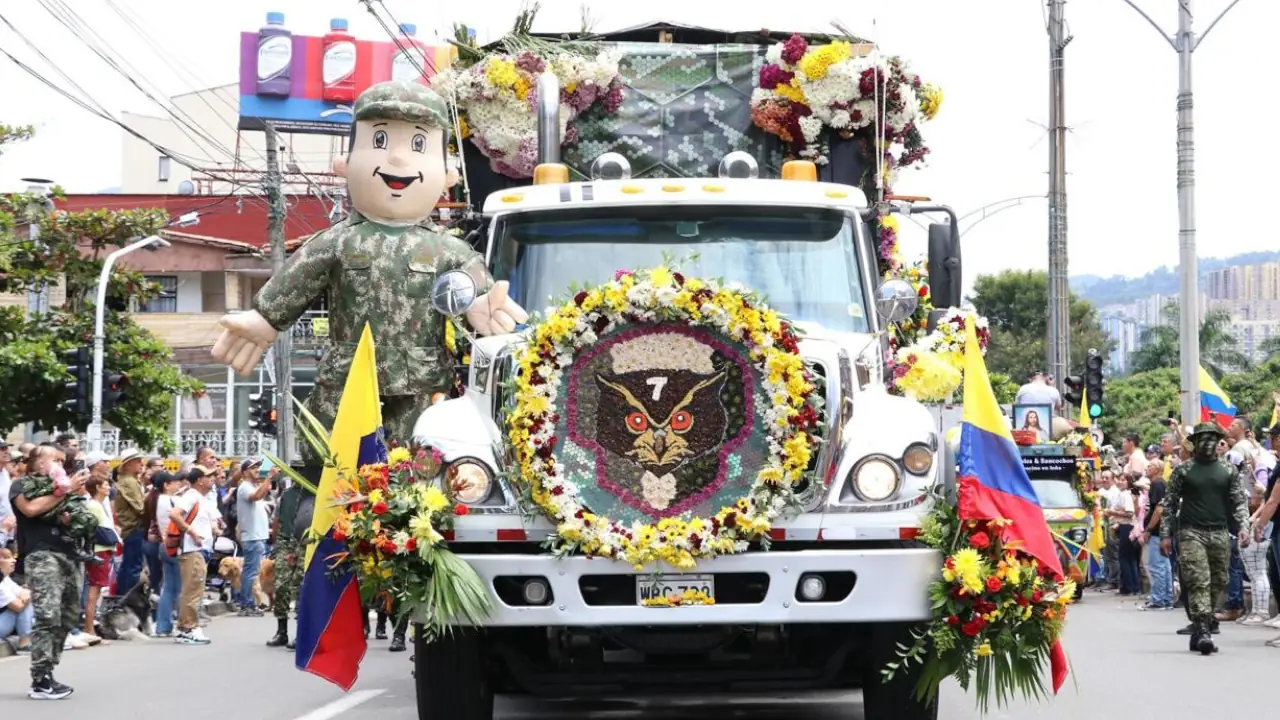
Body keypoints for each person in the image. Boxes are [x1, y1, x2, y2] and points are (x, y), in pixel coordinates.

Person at [210, 80, 528, 475]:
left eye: (417, 145)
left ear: (448, 173)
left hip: (420, 386)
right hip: (346, 383)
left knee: (421, 468)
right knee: (328, 466)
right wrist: (263, 318)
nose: (397, 160)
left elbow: (475, 296)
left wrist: (482, 311)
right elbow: (297, 282)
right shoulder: (336, 243)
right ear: (345, 163)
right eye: (379, 140)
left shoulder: (452, 251)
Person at [1161, 422, 1252, 655]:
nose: (1207, 442)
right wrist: (1165, 535)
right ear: (1195, 442)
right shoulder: (1184, 471)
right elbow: (1169, 505)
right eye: (1202, 437)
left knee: (1219, 580)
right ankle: (1202, 630)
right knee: (1198, 579)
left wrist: (1243, 526)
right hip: (1192, 532)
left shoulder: (1228, 471)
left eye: (1212, 437)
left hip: (1220, 531)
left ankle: (1206, 620)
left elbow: (1239, 501)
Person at [9, 444, 89, 699]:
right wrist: (64, 490)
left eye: (63, 460)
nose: (61, 464)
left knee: (67, 618)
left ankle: (49, 671)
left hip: (70, 554)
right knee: (47, 615)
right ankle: (40, 678)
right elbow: (31, 509)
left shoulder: (68, 485)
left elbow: (75, 519)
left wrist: (72, 516)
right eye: (56, 459)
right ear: (40, 463)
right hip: (42, 555)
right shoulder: (22, 485)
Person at [168, 467, 217, 645]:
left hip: (198, 550)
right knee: (193, 591)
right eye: (208, 476)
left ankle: (185, 628)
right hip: (192, 549)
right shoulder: (192, 495)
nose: (213, 479)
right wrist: (192, 532)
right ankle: (189, 628)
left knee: (194, 590)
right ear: (199, 480)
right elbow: (174, 514)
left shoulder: (201, 498)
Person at [267, 479, 312, 649]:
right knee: (281, 586)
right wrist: (277, 544)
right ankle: (281, 630)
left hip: (305, 541)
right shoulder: (286, 496)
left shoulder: (314, 492)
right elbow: (277, 521)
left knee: (301, 587)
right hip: (285, 542)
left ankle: (301, 633)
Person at [81, 476, 119, 636]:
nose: (108, 487)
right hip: (99, 550)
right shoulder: (94, 506)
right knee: (94, 590)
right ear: (97, 487)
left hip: (103, 549)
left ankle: (90, 628)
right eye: (105, 485)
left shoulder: (98, 505)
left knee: (96, 590)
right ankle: (89, 629)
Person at [235, 459, 271, 616]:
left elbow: (259, 494)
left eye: (258, 467)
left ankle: (247, 603)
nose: (257, 470)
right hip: (252, 537)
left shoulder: (251, 486)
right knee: (250, 572)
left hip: (257, 536)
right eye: (253, 468)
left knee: (252, 571)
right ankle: (246, 604)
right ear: (244, 472)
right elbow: (256, 496)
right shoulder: (244, 487)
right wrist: (269, 478)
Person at [151, 472, 183, 638]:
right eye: (174, 482)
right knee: (181, 587)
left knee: (169, 588)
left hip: (164, 545)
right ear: (166, 485)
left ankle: (163, 626)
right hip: (176, 545)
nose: (178, 485)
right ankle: (184, 624)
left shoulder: (158, 501)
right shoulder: (173, 501)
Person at [111, 448, 147, 594]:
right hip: (132, 528)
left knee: (129, 565)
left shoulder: (129, 480)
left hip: (128, 528)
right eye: (137, 461)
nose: (141, 463)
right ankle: (127, 600)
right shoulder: (129, 481)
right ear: (128, 465)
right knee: (133, 566)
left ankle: (122, 598)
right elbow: (141, 508)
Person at [1141, 459, 1174, 610]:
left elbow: (1159, 509)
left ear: (1158, 469)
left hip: (1157, 532)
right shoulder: (1159, 484)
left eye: (1150, 466)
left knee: (1157, 565)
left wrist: (1149, 528)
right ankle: (1166, 597)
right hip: (1163, 531)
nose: (1147, 468)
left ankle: (1159, 599)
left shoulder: (1157, 484)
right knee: (1164, 565)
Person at [0, 546, 33, 653]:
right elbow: (18, 606)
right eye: (7, 558)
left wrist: (26, 595)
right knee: (23, 607)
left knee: (29, 605)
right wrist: (26, 596)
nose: (13, 560)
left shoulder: (5, 579)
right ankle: (24, 643)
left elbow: (24, 592)